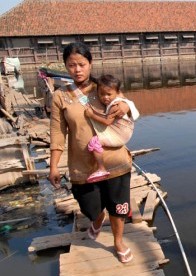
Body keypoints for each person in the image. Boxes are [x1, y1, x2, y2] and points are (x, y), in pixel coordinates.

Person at [48, 42, 134, 263]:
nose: (77, 70)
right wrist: (54, 166)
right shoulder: (60, 96)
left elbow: (124, 103)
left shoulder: (103, 87)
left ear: (90, 64)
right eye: (71, 65)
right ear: (65, 66)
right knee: (89, 206)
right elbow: (58, 133)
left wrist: (126, 106)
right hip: (82, 165)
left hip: (114, 160)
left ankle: (118, 241)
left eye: (82, 64)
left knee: (118, 205)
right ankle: (97, 219)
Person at [83, 74, 139, 183]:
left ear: (117, 93)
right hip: (125, 133)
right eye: (101, 94)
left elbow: (107, 121)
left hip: (120, 135)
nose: (105, 97)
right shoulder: (119, 99)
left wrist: (91, 115)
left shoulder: (115, 106)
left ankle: (101, 168)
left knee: (94, 142)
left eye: (109, 94)